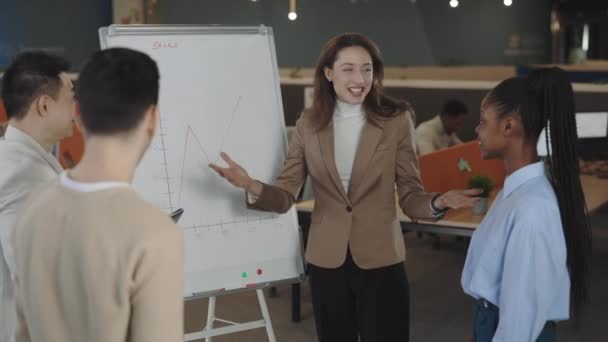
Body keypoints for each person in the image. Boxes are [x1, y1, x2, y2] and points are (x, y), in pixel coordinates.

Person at [210, 33, 479, 342]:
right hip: (328, 261)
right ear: (328, 73)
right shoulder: (308, 124)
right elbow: (286, 195)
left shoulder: (396, 120)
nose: (360, 78)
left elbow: (410, 193)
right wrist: (250, 184)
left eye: (367, 69)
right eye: (349, 68)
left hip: (381, 258)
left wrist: (436, 203)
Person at [13, 48, 184, 342]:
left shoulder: (33, 208)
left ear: (77, 114)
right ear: (152, 118)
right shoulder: (155, 233)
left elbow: (22, 332)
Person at [461, 67, 592, 342]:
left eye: (483, 121)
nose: (477, 129)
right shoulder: (515, 192)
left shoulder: (532, 208)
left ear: (509, 126)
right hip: (491, 321)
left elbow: (521, 318)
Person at [0, 51, 74, 342]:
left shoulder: (19, 158)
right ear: (44, 105)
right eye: (71, 97)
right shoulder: (23, 174)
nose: (77, 108)